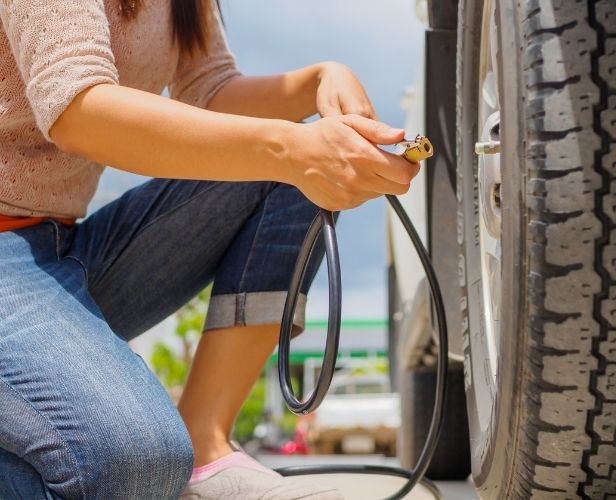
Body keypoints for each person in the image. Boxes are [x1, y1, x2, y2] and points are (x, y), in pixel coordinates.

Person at [0, 0, 420, 498]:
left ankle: (206, 443)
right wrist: (288, 149)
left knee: (290, 177)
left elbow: (208, 94)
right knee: (136, 462)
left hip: (60, 249)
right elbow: (78, 109)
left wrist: (316, 83)